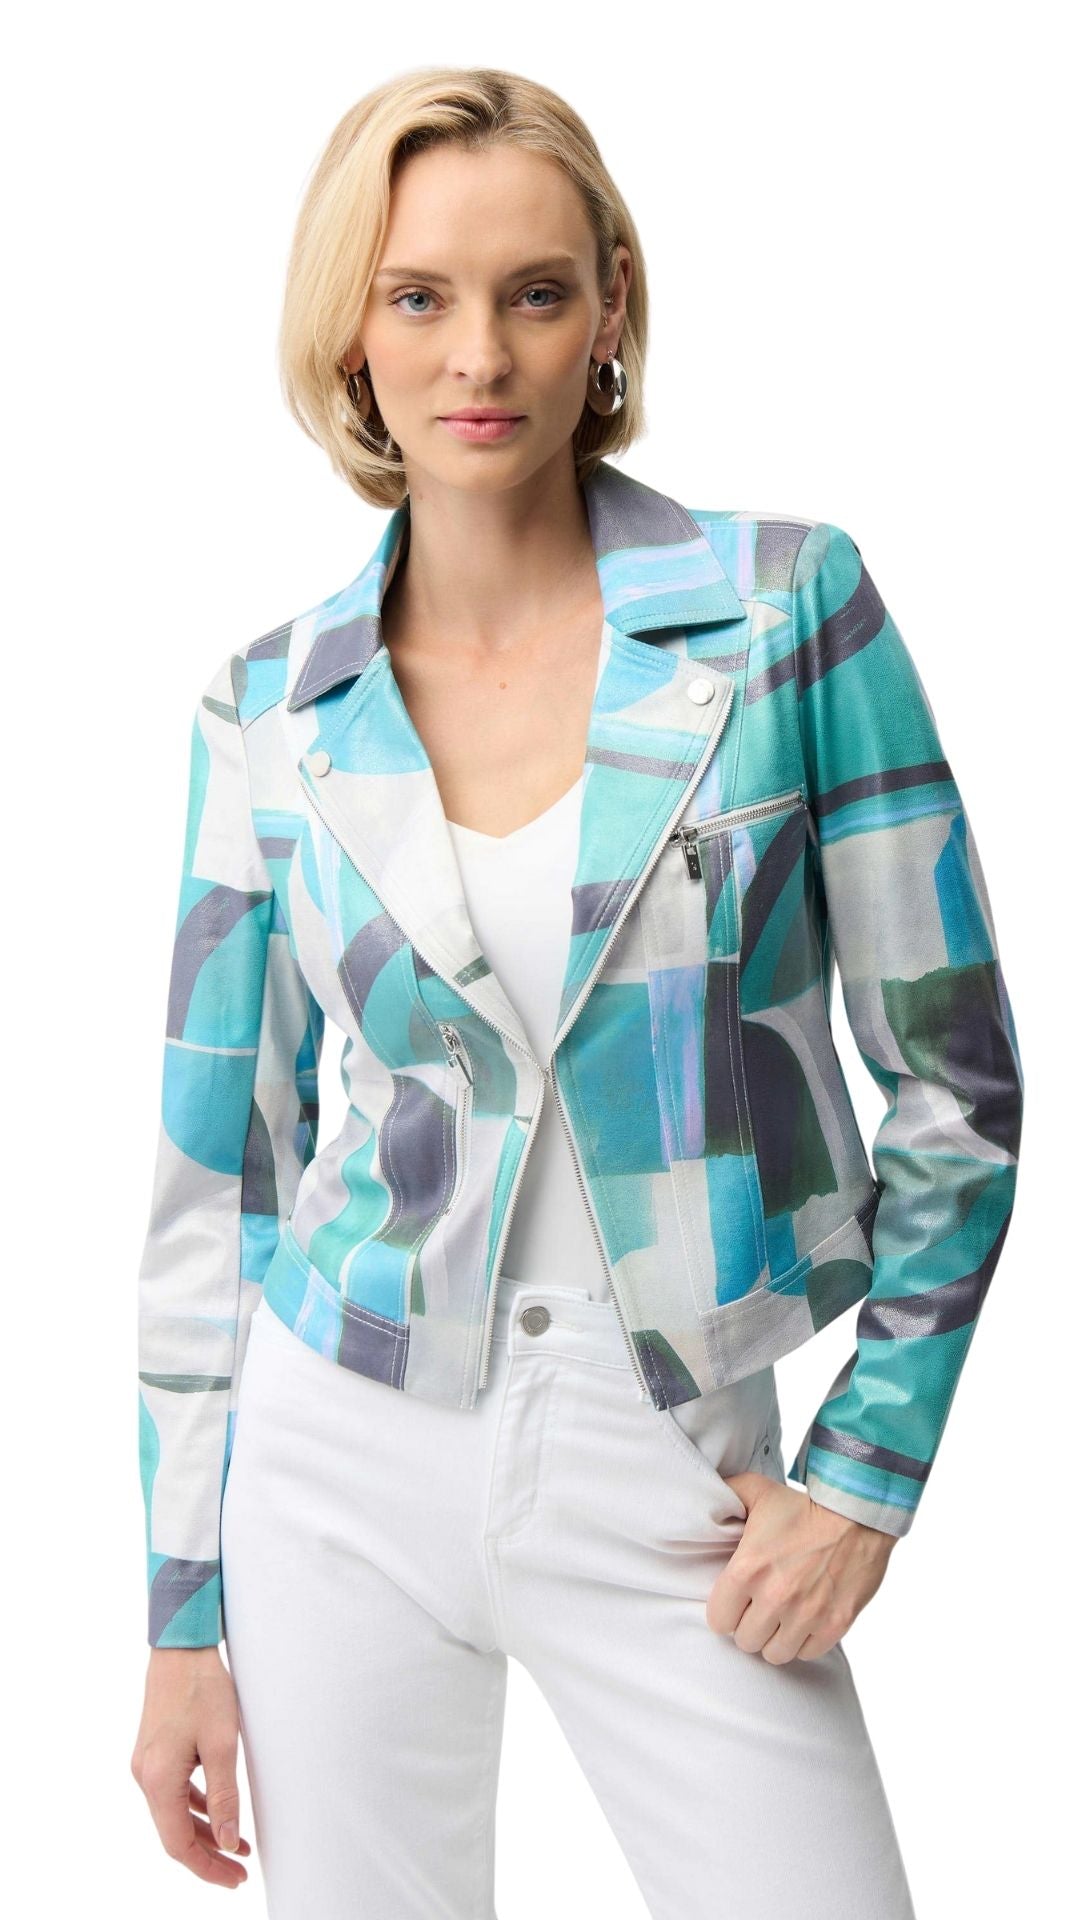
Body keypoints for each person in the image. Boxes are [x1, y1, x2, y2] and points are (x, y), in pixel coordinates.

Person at [130, 65, 1024, 1918]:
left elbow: (957, 1078)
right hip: (331, 1460)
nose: (480, 355)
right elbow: (218, 1184)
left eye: (535, 293)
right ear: (352, 331)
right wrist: (182, 1616)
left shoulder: (787, 614)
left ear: (609, 309)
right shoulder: (271, 709)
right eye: (419, 297)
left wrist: (867, 1474)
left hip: (668, 1457)